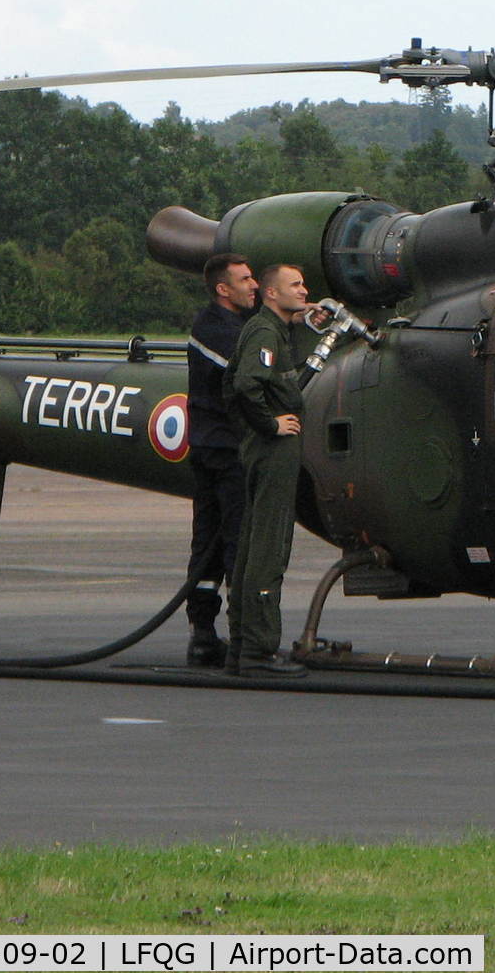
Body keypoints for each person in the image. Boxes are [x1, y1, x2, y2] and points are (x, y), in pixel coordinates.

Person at [221, 262, 320, 677]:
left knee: (253, 543)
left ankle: (243, 645)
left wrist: (308, 320)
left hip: (262, 447)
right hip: (273, 447)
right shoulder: (264, 332)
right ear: (271, 294)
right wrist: (269, 423)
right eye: (295, 285)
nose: (304, 290)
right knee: (269, 544)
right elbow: (247, 384)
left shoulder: (273, 330)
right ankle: (259, 650)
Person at [182, 254, 257, 667]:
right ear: (222, 289)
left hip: (216, 446)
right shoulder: (215, 330)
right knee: (233, 541)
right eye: (245, 280)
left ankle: (206, 633)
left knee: (211, 542)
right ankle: (239, 635)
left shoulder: (240, 324)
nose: (254, 286)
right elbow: (249, 380)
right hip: (224, 450)